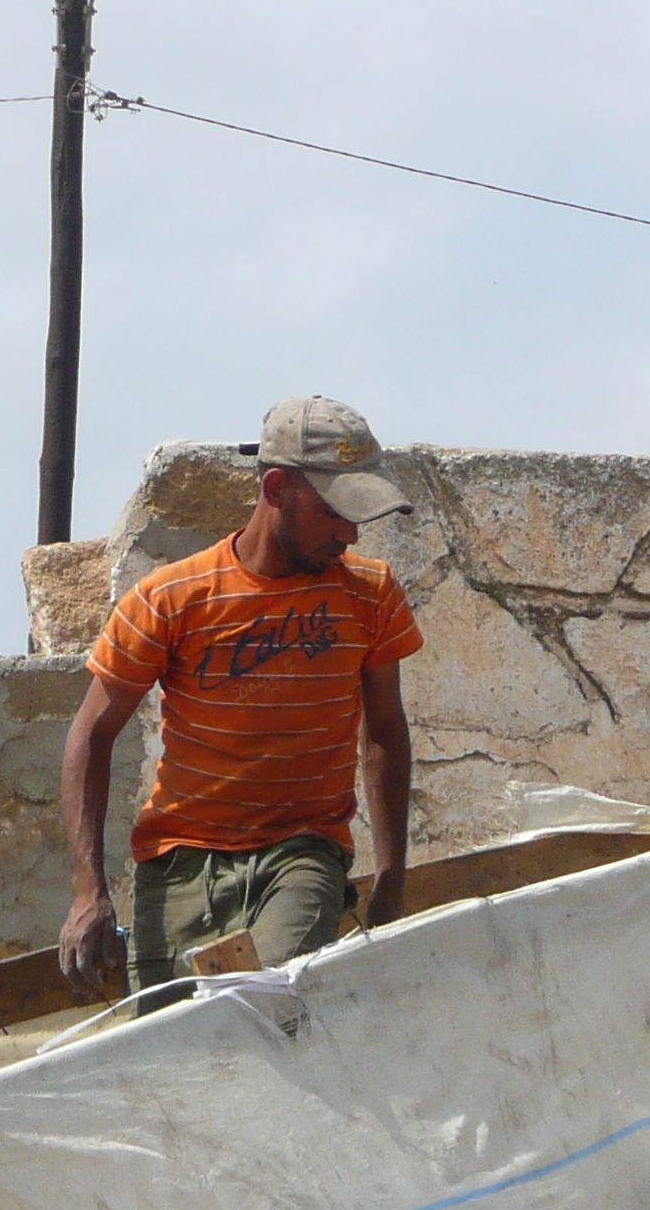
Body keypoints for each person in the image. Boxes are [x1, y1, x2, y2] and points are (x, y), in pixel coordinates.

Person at [57, 395, 420, 998]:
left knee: (267, 1011)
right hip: (178, 867)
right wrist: (87, 891)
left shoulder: (371, 594)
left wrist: (392, 877)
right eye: (337, 511)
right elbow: (90, 736)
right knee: (171, 1058)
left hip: (303, 856)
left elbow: (385, 731)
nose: (351, 532)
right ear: (277, 488)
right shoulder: (168, 600)